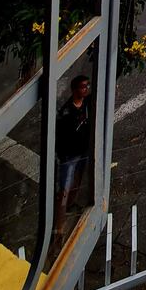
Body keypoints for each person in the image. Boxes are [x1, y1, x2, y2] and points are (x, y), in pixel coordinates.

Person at [54, 75, 91, 238]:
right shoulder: (67, 112)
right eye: (83, 87)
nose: (86, 89)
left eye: (87, 86)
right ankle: (59, 226)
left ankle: (71, 205)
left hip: (83, 151)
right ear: (74, 89)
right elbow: (60, 137)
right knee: (64, 189)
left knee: (76, 182)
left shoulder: (87, 104)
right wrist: (63, 156)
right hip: (70, 156)